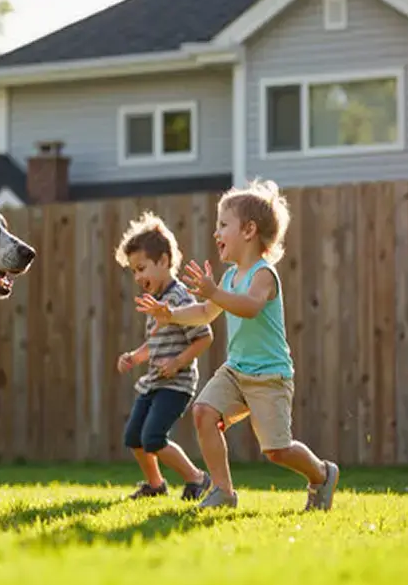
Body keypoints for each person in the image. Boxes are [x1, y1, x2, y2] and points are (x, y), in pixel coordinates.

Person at [135, 179, 340, 511]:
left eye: (222, 225)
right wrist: (170, 314)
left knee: (277, 450)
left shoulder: (263, 275)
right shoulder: (229, 277)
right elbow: (204, 313)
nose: (216, 233)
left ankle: (321, 473)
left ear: (248, 230)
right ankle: (223, 491)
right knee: (203, 412)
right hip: (236, 370)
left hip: (269, 376)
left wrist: (214, 292)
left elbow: (250, 306)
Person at [114, 211, 214, 501]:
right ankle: (155, 485)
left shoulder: (179, 299)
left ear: (164, 261)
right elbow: (155, 343)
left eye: (142, 268)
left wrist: (178, 363)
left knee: (153, 438)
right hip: (154, 381)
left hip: (177, 383)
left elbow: (205, 336)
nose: (138, 276)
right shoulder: (156, 301)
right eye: (133, 271)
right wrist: (135, 357)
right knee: (134, 438)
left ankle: (197, 478)